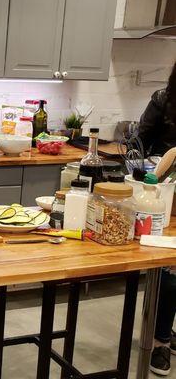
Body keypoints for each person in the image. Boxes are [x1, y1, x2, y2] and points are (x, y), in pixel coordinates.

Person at [137, 61, 176, 376]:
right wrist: (150, 175)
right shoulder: (163, 100)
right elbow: (137, 147)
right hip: (164, 194)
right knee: (170, 268)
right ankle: (160, 341)